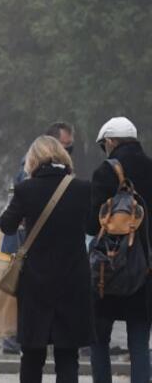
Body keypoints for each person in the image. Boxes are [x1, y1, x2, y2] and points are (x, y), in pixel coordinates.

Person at [0, 135, 93, 383]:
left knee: (32, 354)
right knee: (68, 354)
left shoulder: (25, 189)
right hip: (73, 280)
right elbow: (93, 226)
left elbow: (6, 225)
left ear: (33, 160)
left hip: (36, 282)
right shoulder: (82, 188)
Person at [89, 117, 152, 383]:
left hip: (109, 269)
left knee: (99, 339)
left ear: (111, 141)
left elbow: (91, 224)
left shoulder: (104, 172)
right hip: (145, 269)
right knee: (139, 342)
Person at [2, 122, 75, 255]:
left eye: (70, 145)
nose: (69, 150)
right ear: (51, 144)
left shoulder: (53, 170)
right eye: (65, 145)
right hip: (24, 246)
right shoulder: (30, 170)